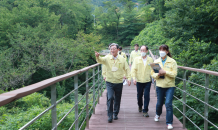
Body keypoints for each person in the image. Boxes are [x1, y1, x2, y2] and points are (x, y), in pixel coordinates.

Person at [95, 43, 131, 123]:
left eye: (114, 48)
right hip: (109, 81)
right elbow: (101, 60)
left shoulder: (122, 59)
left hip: (119, 81)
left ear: (118, 50)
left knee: (117, 98)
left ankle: (115, 113)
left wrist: (129, 78)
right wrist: (98, 57)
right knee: (110, 97)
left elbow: (127, 69)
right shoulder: (107, 58)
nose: (112, 50)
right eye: (111, 49)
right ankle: (110, 115)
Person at [151, 44, 177, 130]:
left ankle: (169, 123)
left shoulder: (172, 61)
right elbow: (152, 74)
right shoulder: (156, 61)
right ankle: (158, 114)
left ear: (167, 51)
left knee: (168, 104)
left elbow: (174, 74)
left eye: (163, 50)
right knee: (159, 103)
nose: (161, 51)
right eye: (160, 50)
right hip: (160, 85)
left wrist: (165, 72)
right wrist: (158, 74)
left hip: (170, 85)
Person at [131, 45, 153, 117]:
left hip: (147, 80)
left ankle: (145, 110)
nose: (142, 52)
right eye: (141, 50)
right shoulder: (136, 59)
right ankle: (140, 105)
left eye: (144, 50)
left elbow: (155, 70)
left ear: (147, 51)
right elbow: (133, 69)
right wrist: (134, 78)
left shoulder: (150, 59)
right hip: (139, 80)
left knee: (147, 95)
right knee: (139, 95)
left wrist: (155, 77)